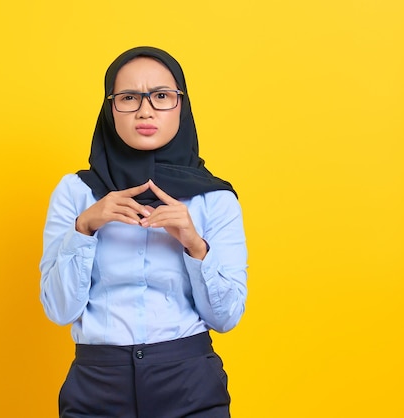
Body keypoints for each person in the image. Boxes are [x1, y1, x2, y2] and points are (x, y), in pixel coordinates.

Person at [40, 46, 248, 418]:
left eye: (162, 96)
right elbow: (58, 309)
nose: (145, 110)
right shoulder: (75, 193)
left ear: (181, 107)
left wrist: (194, 245)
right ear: (110, 108)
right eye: (129, 97)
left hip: (188, 381)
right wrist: (85, 228)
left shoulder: (214, 199)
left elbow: (226, 317)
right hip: (97, 382)